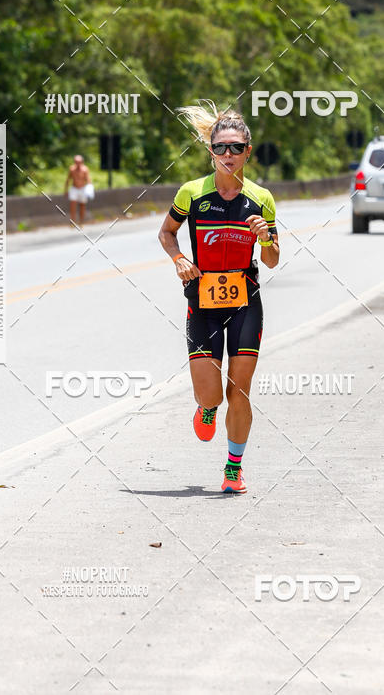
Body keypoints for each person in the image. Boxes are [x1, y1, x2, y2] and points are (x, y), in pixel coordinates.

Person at [158, 102, 279, 494]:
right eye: (221, 147)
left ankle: (233, 467)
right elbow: (166, 233)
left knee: (239, 390)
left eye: (236, 148)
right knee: (211, 393)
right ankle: (206, 408)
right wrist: (178, 259)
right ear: (210, 151)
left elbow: (274, 259)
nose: (228, 155)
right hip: (204, 304)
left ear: (248, 152)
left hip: (245, 302)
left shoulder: (261, 198)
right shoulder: (192, 193)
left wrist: (265, 237)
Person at [64, 155, 92, 226]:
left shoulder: (85, 169)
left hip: (82, 189)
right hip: (74, 189)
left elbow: (88, 179)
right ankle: (72, 222)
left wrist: (89, 189)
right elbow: (68, 179)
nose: (77, 163)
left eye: (79, 162)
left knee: (82, 205)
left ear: (82, 162)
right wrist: (66, 190)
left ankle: (81, 222)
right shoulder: (72, 169)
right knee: (73, 205)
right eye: (76, 162)